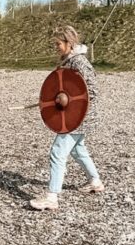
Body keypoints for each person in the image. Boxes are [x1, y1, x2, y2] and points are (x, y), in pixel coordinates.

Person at [30, 26, 104, 210]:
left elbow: (92, 92)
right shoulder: (68, 61)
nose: (56, 47)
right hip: (78, 117)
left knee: (57, 152)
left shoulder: (79, 62)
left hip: (80, 117)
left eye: (58, 44)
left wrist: (70, 106)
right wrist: (49, 101)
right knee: (78, 150)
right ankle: (95, 181)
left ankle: (52, 197)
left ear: (69, 43)